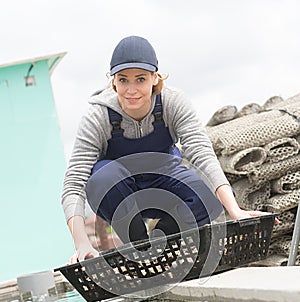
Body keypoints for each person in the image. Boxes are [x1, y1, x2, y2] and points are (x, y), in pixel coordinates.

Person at [62, 35, 268, 264]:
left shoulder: (173, 102)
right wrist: (81, 243)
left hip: (164, 179)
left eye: (140, 79)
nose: (131, 90)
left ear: (154, 77)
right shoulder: (97, 116)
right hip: (120, 193)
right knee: (102, 177)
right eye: (123, 80)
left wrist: (235, 210)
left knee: (206, 198)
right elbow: (74, 183)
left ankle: (165, 245)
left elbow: (203, 155)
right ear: (113, 82)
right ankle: (138, 245)